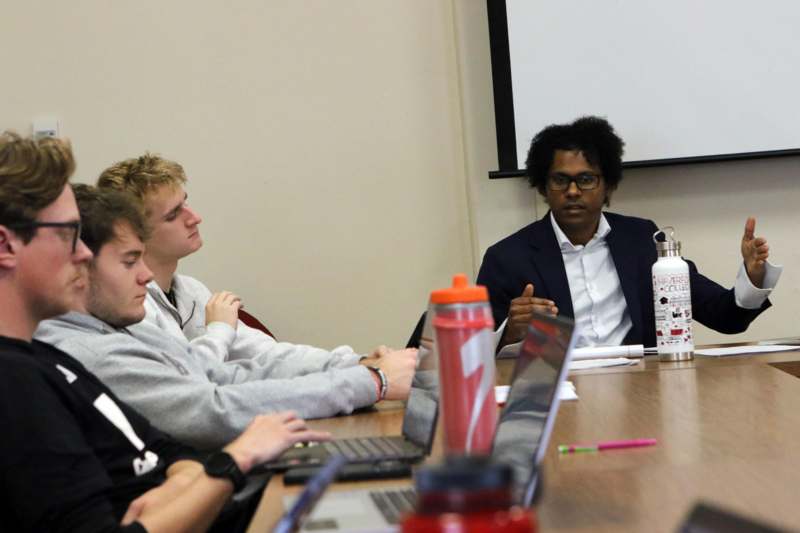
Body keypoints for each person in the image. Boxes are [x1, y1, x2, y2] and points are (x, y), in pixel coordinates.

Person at [0, 131, 328, 532]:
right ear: (6, 246)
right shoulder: (14, 382)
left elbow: (164, 449)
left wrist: (187, 480)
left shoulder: (47, 360)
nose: (84, 252)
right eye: (69, 233)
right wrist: (234, 461)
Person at [35, 184, 409, 449]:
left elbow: (228, 371)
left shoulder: (123, 322)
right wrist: (371, 380)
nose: (145, 275)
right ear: (78, 266)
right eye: (131, 261)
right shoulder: (89, 348)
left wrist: (359, 368)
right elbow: (213, 412)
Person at [95, 154, 416, 391]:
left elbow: (269, 356)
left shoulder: (191, 291)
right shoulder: (132, 309)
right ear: (136, 234)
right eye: (174, 214)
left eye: (187, 204)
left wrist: (357, 363)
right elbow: (191, 382)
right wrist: (219, 330)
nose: (195, 218)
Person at [476, 116, 781, 348]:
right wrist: (508, 333)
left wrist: (752, 278)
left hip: (640, 387)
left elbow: (723, 316)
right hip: (559, 394)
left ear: (608, 185)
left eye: (585, 180)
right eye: (560, 180)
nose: (572, 191)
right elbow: (471, 354)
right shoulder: (507, 258)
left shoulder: (642, 241)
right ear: (543, 186)